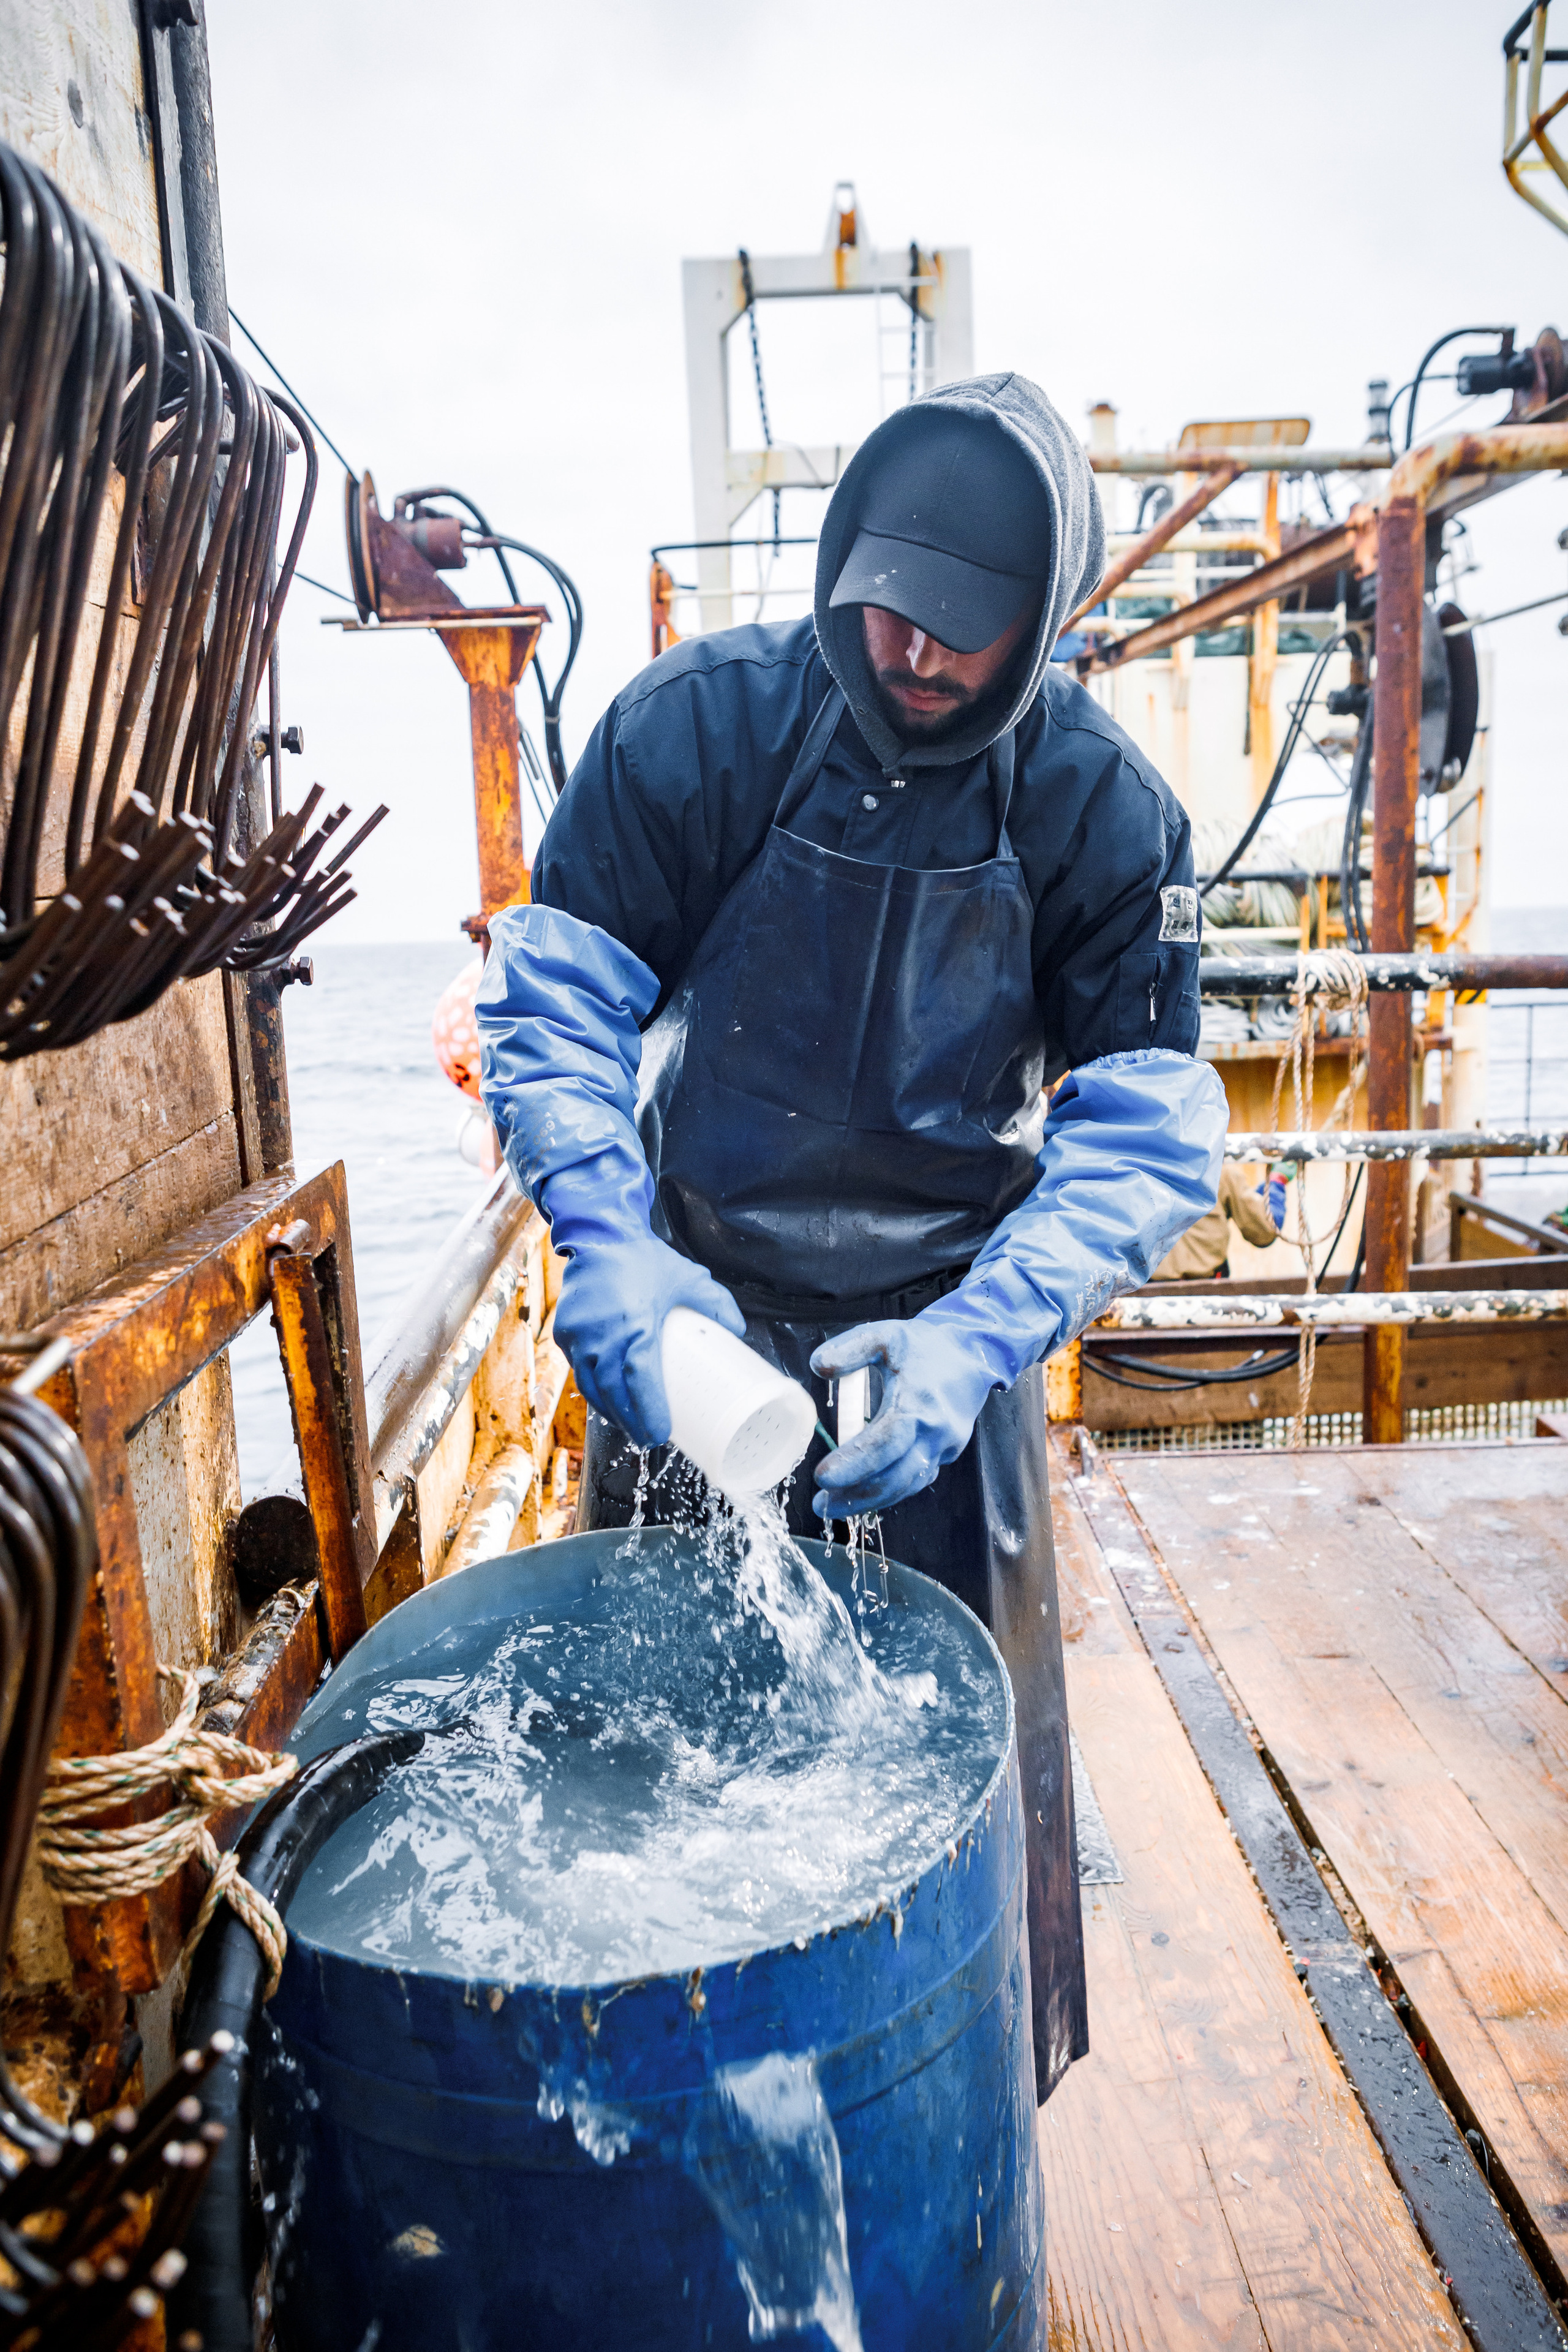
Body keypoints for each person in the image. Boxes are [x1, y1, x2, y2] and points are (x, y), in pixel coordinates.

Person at [477, 373, 1226, 2103]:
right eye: (885, 598)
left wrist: (978, 1340)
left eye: (964, 630)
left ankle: (962, 2105)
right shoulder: (696, 731)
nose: (910, 647)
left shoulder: (1103, 814)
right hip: (697, 1322)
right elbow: (560, 1009)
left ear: (1046, 624)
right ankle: (672, 2104)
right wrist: (608, 1238)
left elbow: (1143, 1134)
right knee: (657, 1765)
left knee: (954, 1790)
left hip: (941, 1344)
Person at [1153, 1162, 1289, 1280]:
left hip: (1144, 1291)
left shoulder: (1135, 1167)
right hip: (1209, 1287)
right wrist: (1277, 1181)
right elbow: (1264, 1231)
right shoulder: (1219, 1170)